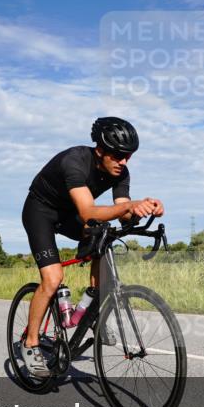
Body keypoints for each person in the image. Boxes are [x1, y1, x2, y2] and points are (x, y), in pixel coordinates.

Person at [20, 117, 164, 377]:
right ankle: (30, 344)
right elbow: (88, 212)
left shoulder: (120, 172)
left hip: (70, 213)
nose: (124, 162)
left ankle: (91, 309)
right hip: (40, 211)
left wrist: (143, 209)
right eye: (118, 156)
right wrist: (129, 206)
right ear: (100, 150)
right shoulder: (74, 162)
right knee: (53, 279)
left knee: (105, 235)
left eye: (128, 156)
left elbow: (123, 212)